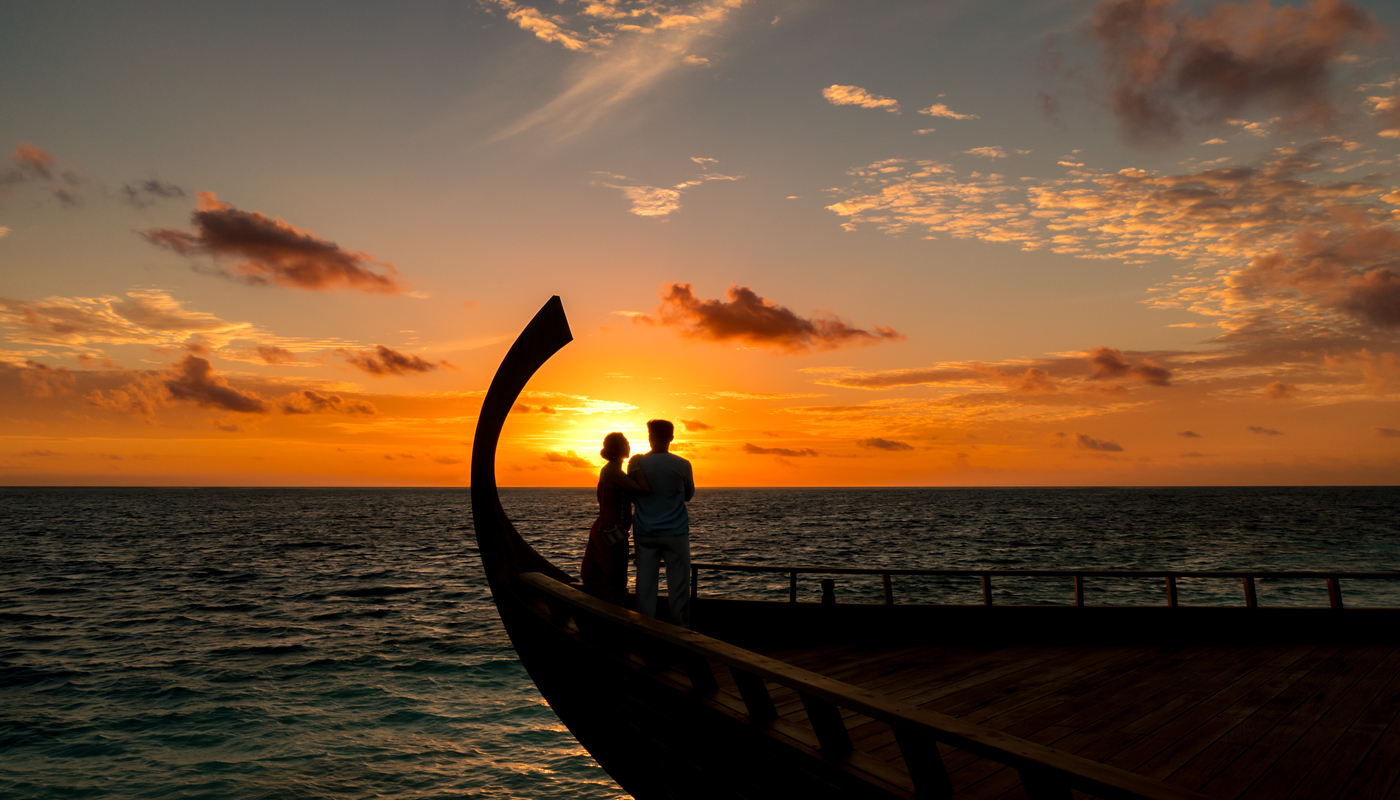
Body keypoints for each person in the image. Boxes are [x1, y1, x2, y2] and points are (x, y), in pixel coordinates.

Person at [627, 419, 695, 627]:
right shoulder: (682, 464)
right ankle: (681, 629)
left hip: (645, 533)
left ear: (649, 437)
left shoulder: (636, 464)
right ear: (671, 438)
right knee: (679, 586)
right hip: (675, 534)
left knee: (645, 586)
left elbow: (632, 496)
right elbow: (689, 495)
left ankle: (647, 630)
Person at [581, 432, 649, 606]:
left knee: (611, 576)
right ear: (620, 448)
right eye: (626, 442)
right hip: (611, 533)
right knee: (613, 578)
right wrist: (635, 466)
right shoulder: (613, 471)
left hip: (609, 530)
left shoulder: (612, 469)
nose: (629, 445)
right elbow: (643, 489)